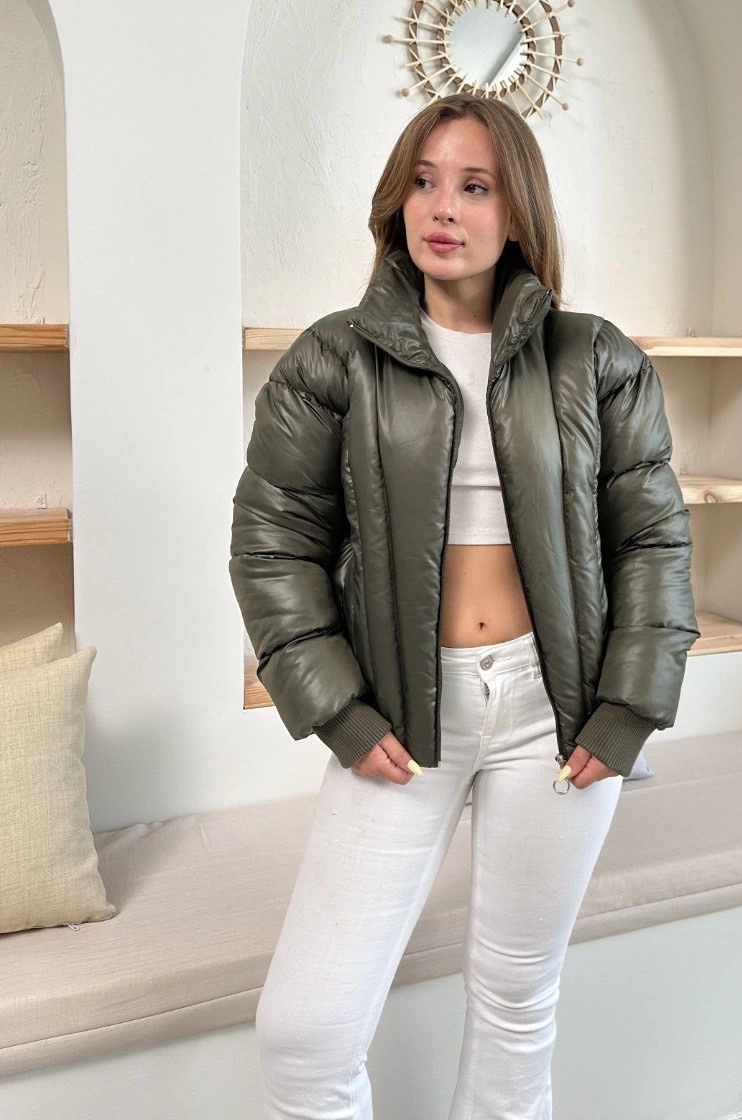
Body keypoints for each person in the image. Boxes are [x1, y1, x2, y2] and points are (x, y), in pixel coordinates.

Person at [228, 91, 700, 1119]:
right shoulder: (331, 360)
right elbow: (272, 545)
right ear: (396, 202)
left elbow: (653, 542)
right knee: (305, 1031)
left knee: (517, 1005)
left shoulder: (597, 358)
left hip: (556, 714)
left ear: (516, 210)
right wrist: (339, 710)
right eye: (424, 182)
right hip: (401, 716)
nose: (443, 207)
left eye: (475, 185)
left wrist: (627, 709)